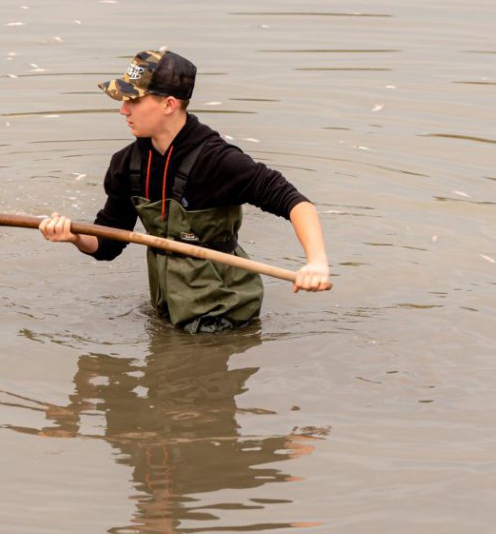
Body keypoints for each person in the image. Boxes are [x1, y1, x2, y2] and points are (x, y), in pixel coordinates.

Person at [39, 48, 331, 333]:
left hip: (225, 315)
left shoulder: (218, 161)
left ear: (169, 104)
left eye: (134, 100)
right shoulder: (126, 164)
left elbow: (295, 203)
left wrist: (316, 262)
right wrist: (74, 236)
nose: (123, 109)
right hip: (168, 309)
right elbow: (108, 243)